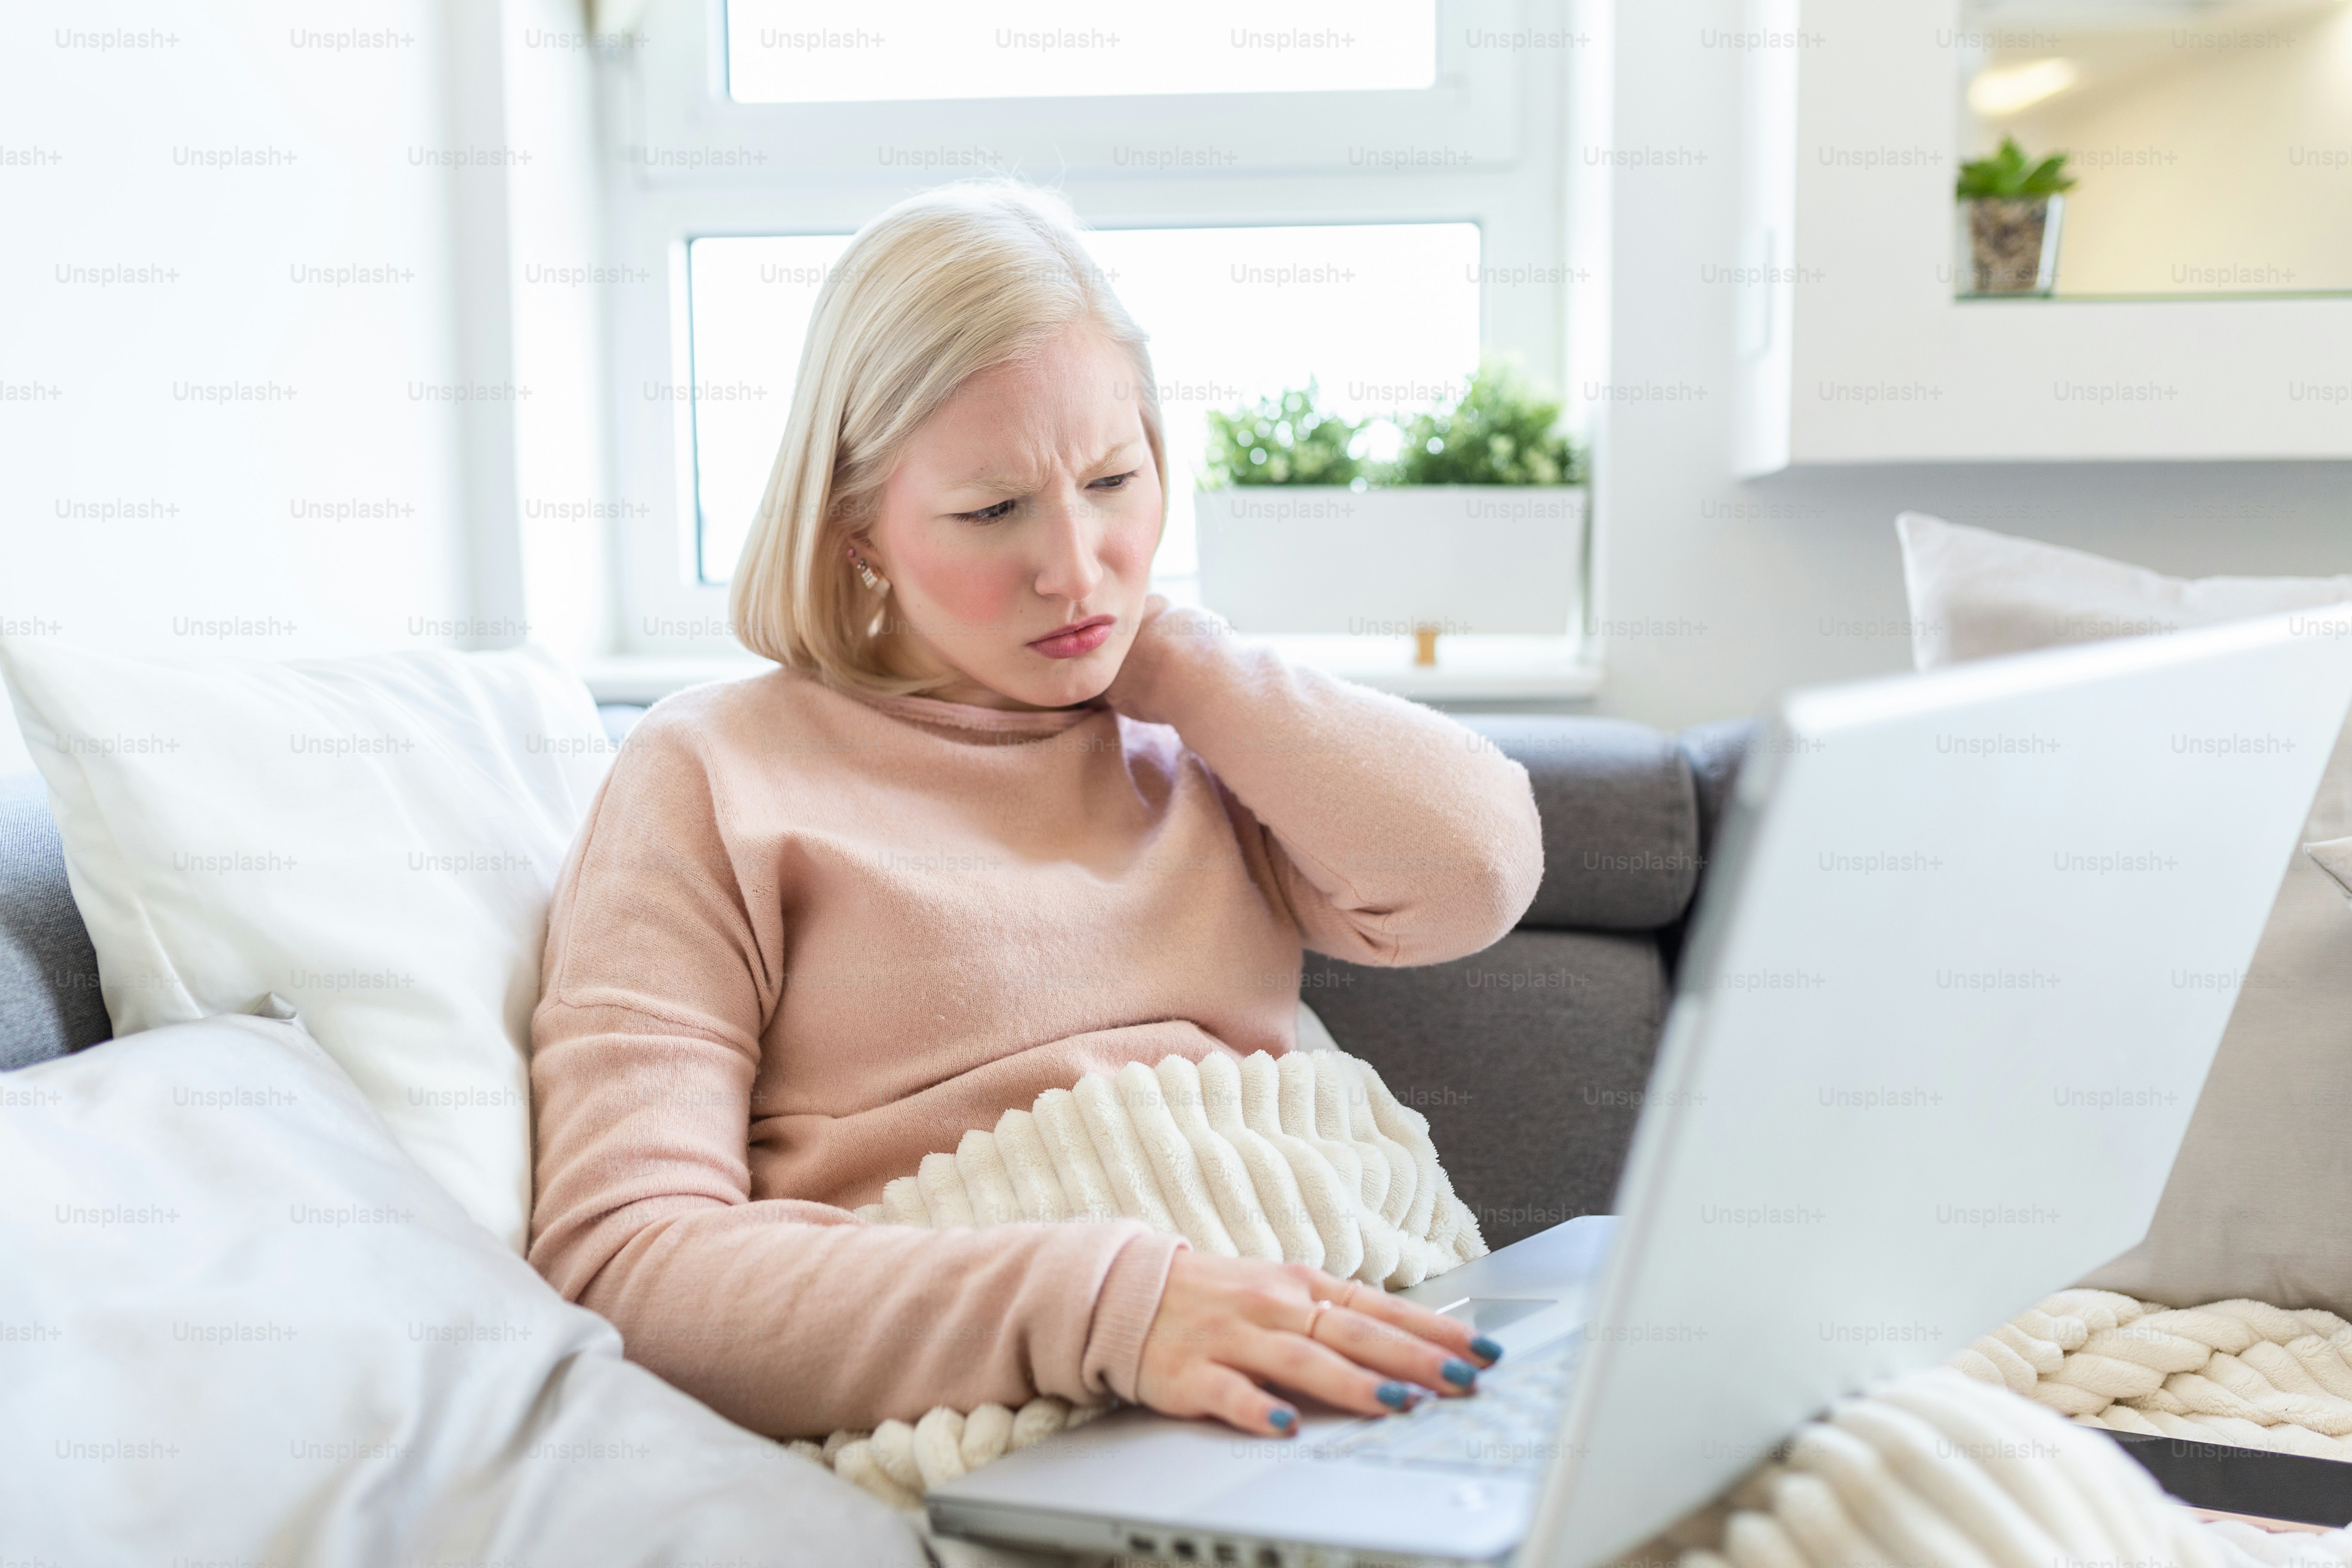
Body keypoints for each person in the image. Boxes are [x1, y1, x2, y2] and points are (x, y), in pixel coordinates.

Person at [528, 181, 1545, 1442]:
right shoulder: (712, 771)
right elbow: (626, 1267)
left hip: (1377, 1352)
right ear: (857, 529)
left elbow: (1479, 873)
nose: (1076, 567)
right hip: (1060, 1416)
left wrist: (1174, 658)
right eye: (993, 510)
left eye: (1116, 481)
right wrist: (1108, 1306)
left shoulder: (1200, 742)